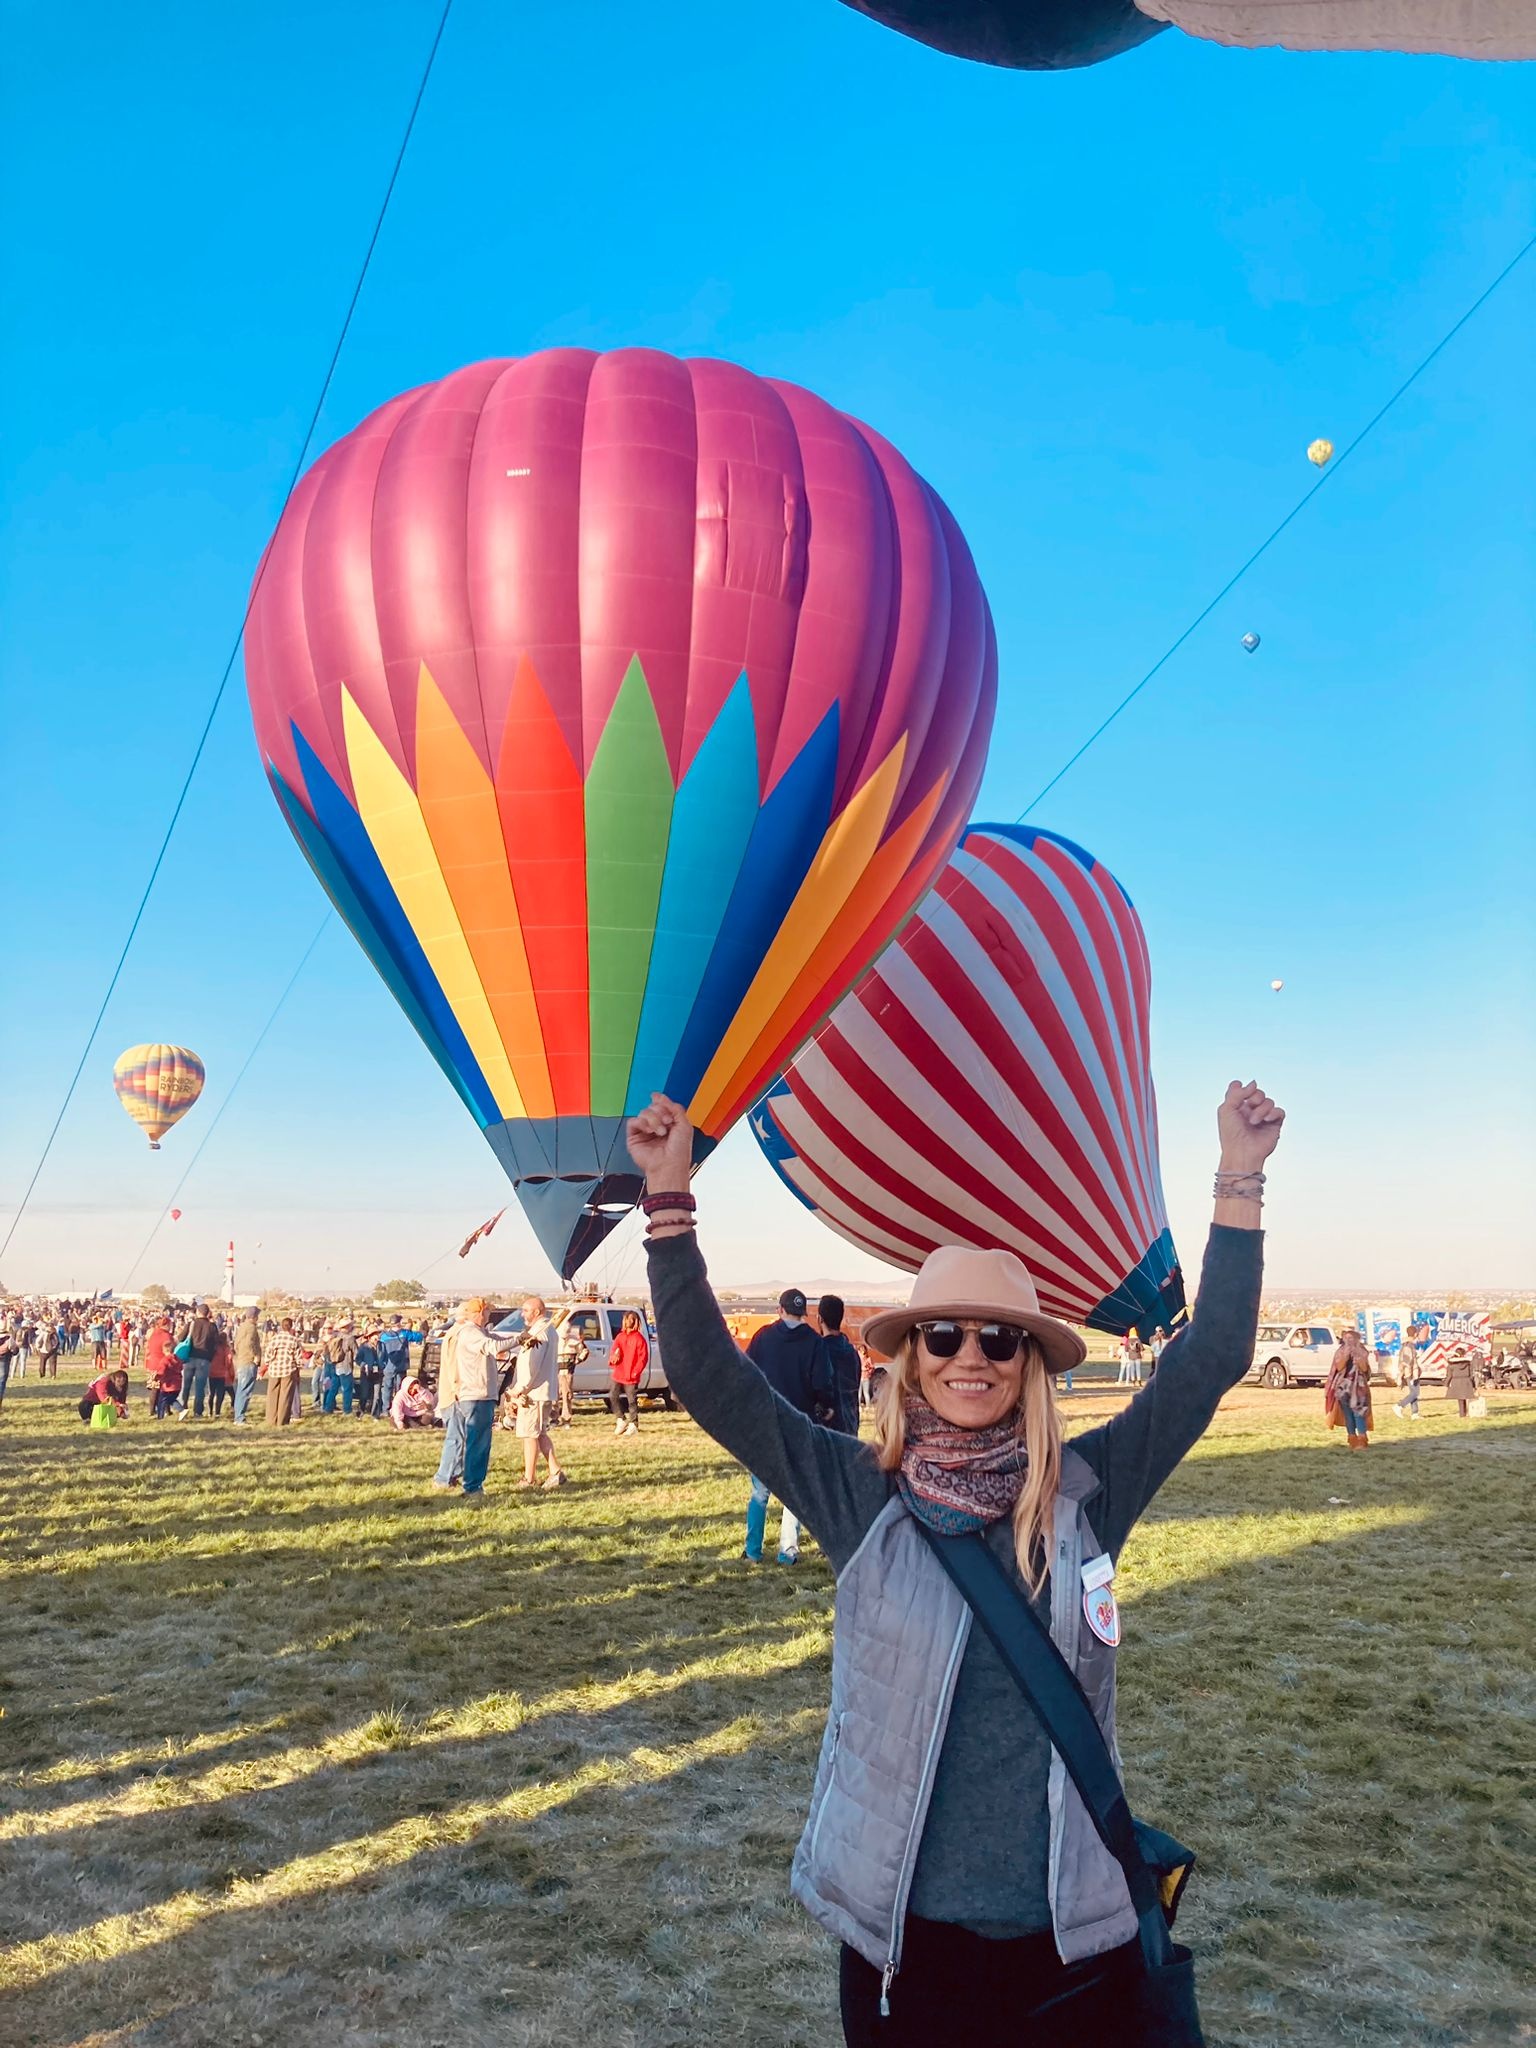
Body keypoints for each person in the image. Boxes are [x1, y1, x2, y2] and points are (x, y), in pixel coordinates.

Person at [628, 1079, 1280, 2045]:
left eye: (999, 1339)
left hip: (1068, 1932)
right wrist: (669, 1204)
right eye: (943, 1334)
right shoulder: (862, 1495)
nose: (969, 1356)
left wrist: (1239, 1179)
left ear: (1030, 1364)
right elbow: (712, 1380)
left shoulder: (1089, 1492)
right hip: (905, 1941)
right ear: (910, 1359)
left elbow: (1212, 1354)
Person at [742, 1288, 827, 1565]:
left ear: (780, 1310)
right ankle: (787, 1551)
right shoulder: (815, 1342)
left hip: (765, 1424)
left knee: (759, 1492)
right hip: (800, 1425)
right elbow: (822, 1384)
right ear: (803, 1313)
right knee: (794, 1492)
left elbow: (747, 1374)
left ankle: (753, 1550)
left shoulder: (763, 1337)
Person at [432, 1299, 512, 1502]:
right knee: (477, 1442)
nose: (489, 1316)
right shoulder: (470, 1333)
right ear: (479, 1313)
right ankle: (472, 1485)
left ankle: (447, 1478)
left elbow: (494, 1339)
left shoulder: (464, 1332)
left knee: (460, 1438)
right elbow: (492, 1346)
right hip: (474, 1393)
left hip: (461, 1393)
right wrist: (521, 1339)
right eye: (487, 1312)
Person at [510, 1296, 568, 1489]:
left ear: (537, 1312)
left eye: (526, 1310)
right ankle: (555, 1471)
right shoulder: (549, 1330)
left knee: (529, 1435)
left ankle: (529, 1478)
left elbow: (531, 1366)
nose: (522, 1314)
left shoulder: (539, 1332)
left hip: (533, 1393)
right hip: (543, 1391)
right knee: (540, 1433)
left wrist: (519, 1389)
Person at [818, 1295, 862, 1436]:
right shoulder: (852, 1353)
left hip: (828, 1430)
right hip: (851, 1425)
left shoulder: (819, 1352)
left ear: (820, 1319)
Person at [1324, 1328, 1374, 1449]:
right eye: (1346, 1338)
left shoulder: (1362, 1351)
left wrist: (1359, 1359)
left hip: (1359, 1387)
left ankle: (1362, 1438)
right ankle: (1352, 1438)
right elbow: (1339, 1366)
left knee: (1359, 1412)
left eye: (1351, 1338)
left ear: (1357, 1339)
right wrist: (1346, 1356)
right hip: (1343, 1387)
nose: (1349, 1340)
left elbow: (1365, 1369)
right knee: (1348, 1414)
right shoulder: (1340, 1351)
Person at [607, 1310, 649, 1436]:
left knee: (631, 1400)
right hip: (619, 1373)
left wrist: (636, 1371)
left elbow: (643, 1358)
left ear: (636, 1322)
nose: (629, 1321)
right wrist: (614, 1358)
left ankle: (634, 1425)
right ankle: (621, 1419)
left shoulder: (639, 1339)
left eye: (632, 1319)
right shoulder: (620, 1337)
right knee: (612, 1396)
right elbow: (614, 1351)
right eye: (627, 1319)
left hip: (631, 1375)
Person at [177, 1303, 218, 1419]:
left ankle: (182, 1409)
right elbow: (216, 1344)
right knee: (200, 1388)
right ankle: (198, 1412)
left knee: (185, 1385)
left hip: (189, 1357)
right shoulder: (212, 1326)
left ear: (197, 1312)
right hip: (204, 1359)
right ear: (208, 1313)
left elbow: (180, 1338)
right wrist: (210, 1356)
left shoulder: (191, 1324)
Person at [264, 1318, 302, 1425]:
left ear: (281, 1326)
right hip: (288, 1370)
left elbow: (268, 1355)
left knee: (272, 1395)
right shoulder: (294, 1340)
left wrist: (269, 1363)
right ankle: (282, 1420)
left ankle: (271, 1420)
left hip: (274, 1370)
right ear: (291, 1326)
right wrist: (298, 1368)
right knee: (285, 1396)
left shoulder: (274, 1339)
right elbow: (298, 1358)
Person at [231, 1308, 262, 1425]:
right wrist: (255, 1356)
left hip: (241, 1360)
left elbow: (236, 1344)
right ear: (254, 1316)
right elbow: (250, 1343)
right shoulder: (251, 1328)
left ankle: (237, 1415)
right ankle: (240, 1417)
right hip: (248, 1362)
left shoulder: (242, 1327)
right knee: (246, 1390)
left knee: (240, 1389)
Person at [378, 1316, 412, 1417]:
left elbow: (381, 1352)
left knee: (387, 1388)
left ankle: (385, 1410)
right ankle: (398, 1408)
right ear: (399, 1322)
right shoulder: (404, 1334)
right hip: (401, 1366)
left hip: (388, 1366)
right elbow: (419, 1336)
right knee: (400, 1389)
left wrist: (382, 1364)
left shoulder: (384, 1336)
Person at [556, 1322, 587, 1426]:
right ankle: (554, 1418)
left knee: (567, 1395)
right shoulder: (555, 1340)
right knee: (553, 1396)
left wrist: (578, 1360)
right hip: (555, 1372)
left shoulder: (575, 1341)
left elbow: (584, 1351)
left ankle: (566, 1419)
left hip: (568, 1373)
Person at [1444, 1345, 1478, 1419]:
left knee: (1460, 1399)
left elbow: (1449, 1376)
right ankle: (1466, 1412)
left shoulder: (1451, 1365)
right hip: (1467, 1381)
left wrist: (1446, 1384)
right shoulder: (1468, 1364)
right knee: (1466, 1398)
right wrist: (1474, 1385)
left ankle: (1462, 1414)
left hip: (1456, 1382)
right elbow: (1471, 1375)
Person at [1392, 1337, 1422, 1420]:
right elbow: (1406, 1362)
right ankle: (1399, 1405)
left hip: (1413, 1372)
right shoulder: (1408, 1347)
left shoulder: (1410, 1346)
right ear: (1415, 1334)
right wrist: (1407, 1373)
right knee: (1415, 1393)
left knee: (1414, 1392)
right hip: (1411, 1373)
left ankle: (1415, 1413)